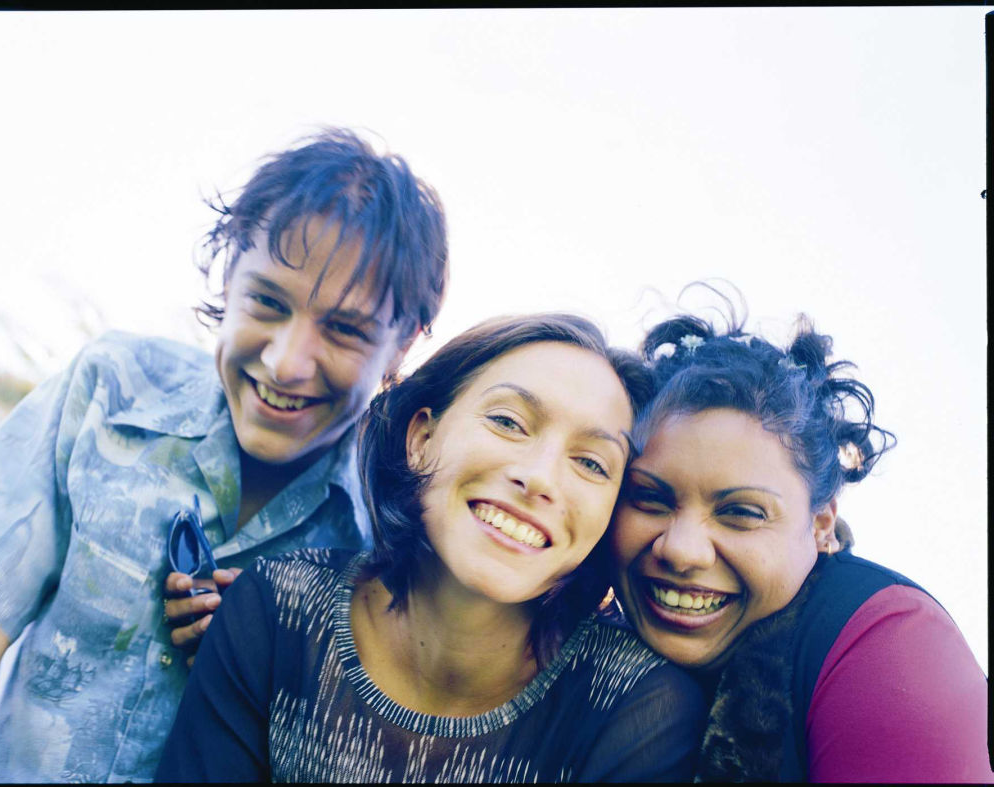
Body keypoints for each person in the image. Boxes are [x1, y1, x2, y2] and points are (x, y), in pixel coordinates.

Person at [0, 127, 449, 782]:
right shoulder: (110, 389)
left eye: (344, 329)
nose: (286, 362)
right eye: (266, 301)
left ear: (402, 348)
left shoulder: (385, 542)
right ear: (229, 281)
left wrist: (256, 674)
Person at [155, 313, 707, 783]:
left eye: (591, 463)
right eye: (509, 422)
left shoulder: (636, 708)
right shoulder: (278, 612)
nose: (540, 479)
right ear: (421, 439)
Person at [609, 294, 993, 782]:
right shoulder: (579, 637)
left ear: (821, 526)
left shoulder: (891, 645)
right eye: (650, 499)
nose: (681, 550)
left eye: (741, 513)